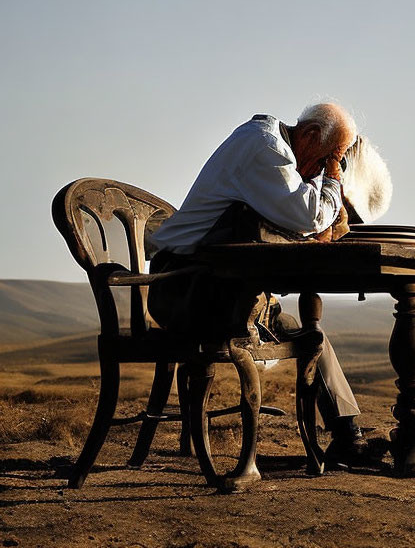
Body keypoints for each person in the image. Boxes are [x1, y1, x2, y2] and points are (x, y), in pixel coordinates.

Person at [147, 102, 382, 467]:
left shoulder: (276, 154)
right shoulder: (265, 149)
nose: (323, 172)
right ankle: (250, 461)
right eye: (325, 160)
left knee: (310, 336)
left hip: (222, 289)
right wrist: (334, 181)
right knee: (299, 331)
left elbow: (303, 222)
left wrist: (318, 213)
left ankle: (348, 436)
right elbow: (308, 216)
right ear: (309, 136)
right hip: (184, 289)